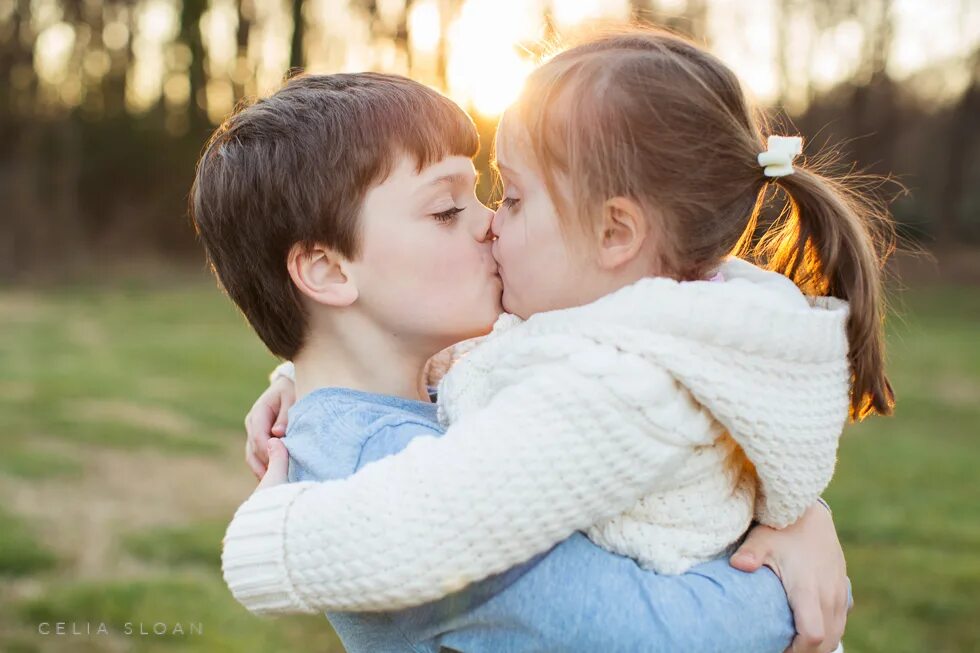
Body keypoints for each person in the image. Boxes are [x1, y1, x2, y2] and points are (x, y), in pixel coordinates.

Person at [194, 65, 851, 653]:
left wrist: (798, 515)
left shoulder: (396, 399)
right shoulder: (378, 478)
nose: (488, 222)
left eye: (492, 195)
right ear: (328, 270)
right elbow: (658, 633)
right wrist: (782, 582)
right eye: (448, 208)